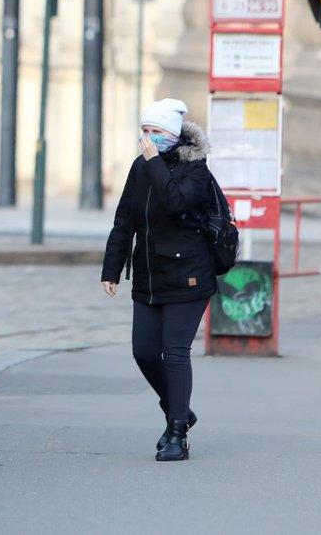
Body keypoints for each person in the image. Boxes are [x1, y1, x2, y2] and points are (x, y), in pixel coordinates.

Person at [100, 98, 217, 462]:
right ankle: (179, 408)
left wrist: (153, 163)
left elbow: (174, 202)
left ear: (173, 135)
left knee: (175, 352)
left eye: (156, 133)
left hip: (189, 275)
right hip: (149, 275)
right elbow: (124, 220)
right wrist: (111, 269)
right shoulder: (140, 169)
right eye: (145, 131)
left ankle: (177, 432)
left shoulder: (195, 169)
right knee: (144, 352)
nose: (148, 139)